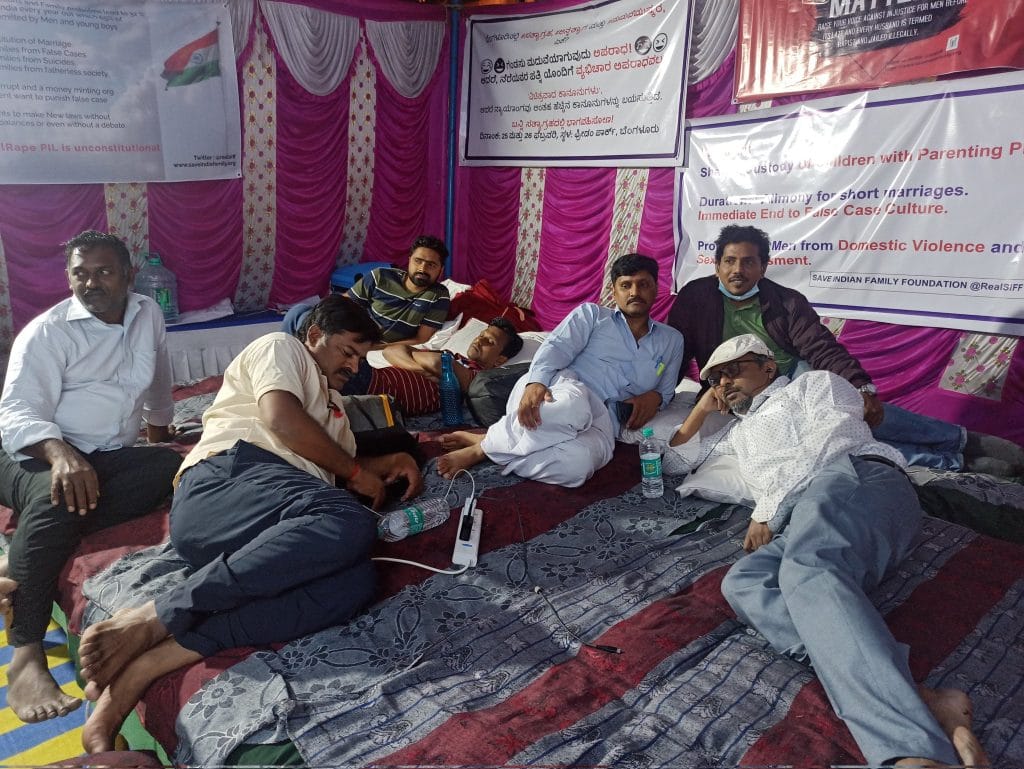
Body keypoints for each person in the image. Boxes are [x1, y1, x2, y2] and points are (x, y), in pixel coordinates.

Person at [75, 295, 424, 753]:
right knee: (350, 521)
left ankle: (146, 667)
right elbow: (281, 420)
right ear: (315, 335)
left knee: (354, 583)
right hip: (227, 481)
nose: (354, 365)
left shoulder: (335, 413)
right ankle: (157, 613)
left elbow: (331, 460)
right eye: (347, 351)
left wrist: (388, 459)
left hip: (265, 528)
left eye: (361, 358)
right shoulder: (283, 349)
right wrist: (357, 474)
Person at [668, 334, 989, 768]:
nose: (724, 381)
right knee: (744, 582)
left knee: (809, 571)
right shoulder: (737, 433)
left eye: (733, 369)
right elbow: (674, 462)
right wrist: (703, 408)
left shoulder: (812, 385)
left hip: (855, 477)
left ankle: (913, 751)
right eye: (715, 377)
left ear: (767, 366)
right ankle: (918, 697)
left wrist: (767, 508)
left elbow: (835, 437)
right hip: (803, 515)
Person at [668, 224, 1024, 475]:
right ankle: (959, 463)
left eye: (748, 262)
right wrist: (660, 391)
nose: (738, 270)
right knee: (839, 442)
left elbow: (821, 347)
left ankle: (963, 439)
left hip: (793, 380)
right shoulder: (695, 299)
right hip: (747, 395)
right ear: (716, 265)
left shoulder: (787, 301)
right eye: (729, 261)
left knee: (857, 409)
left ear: (764, 266)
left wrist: (862, 387)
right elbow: (675, 350)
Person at [0, 231, 181, 723]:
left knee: (177, 468)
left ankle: (19, 569)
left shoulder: (148, 314)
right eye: (80, 273)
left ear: (127, 275)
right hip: (31, 453)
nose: (90, 283)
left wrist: (160, 438)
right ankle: (26, 654)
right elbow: (15, 413)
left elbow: (160, 380)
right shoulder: (48, 331)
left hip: (107, 456)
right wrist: (59, 452)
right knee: (62, 497)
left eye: (103, 272)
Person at [438, 254, 683, 487]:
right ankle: (481, 449)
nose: (635, 292)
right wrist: (536, 383)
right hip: (566, 389)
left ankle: (492, 444)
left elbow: (666, 391)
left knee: (578, 467)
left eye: (643, 284)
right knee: (571, 407)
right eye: (626, 285)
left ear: (656, 288)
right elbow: (555, 347)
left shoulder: (672, 340)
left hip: (607, 421)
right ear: (614, 291)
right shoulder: (592, 315)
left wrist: (656, 397)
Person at [281, 235, 452, 394]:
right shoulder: (381, 277)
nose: (422, 268)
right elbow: (342, 304)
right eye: (418, 261)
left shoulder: (438, 295)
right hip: (350, 331)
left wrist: (376, 347)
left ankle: (302, 375)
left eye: (431, 265)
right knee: (298, 313)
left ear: (440, 270)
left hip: (366, 347)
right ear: (409, 261)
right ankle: (287, 365)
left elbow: (421, 339)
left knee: (327, 347)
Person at [372, 317, 523, 415]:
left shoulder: (479, 378)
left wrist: (411, 357)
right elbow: (390, 351)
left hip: (383, 401)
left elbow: (436, 363)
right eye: (481, 335)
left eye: (489, 342)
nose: (479, 341)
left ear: (499, 360)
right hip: (375, 380)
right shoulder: (449, 354)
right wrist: (418, 369)